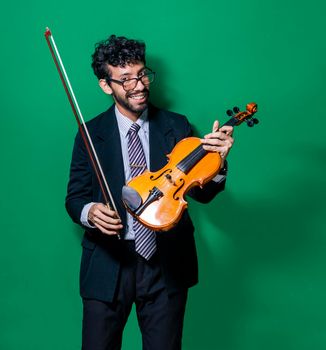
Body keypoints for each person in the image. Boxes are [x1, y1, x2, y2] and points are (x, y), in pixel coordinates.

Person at [65, 35, 234, 350]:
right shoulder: (90, 134)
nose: (139, 85)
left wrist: (219, 164)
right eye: (126, 80)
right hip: (107, 263)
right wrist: (90, 212)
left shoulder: (177, 126)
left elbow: (201, 193)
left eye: (142, 74)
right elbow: (74, 198)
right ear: (106, 85)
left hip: (165, 262)